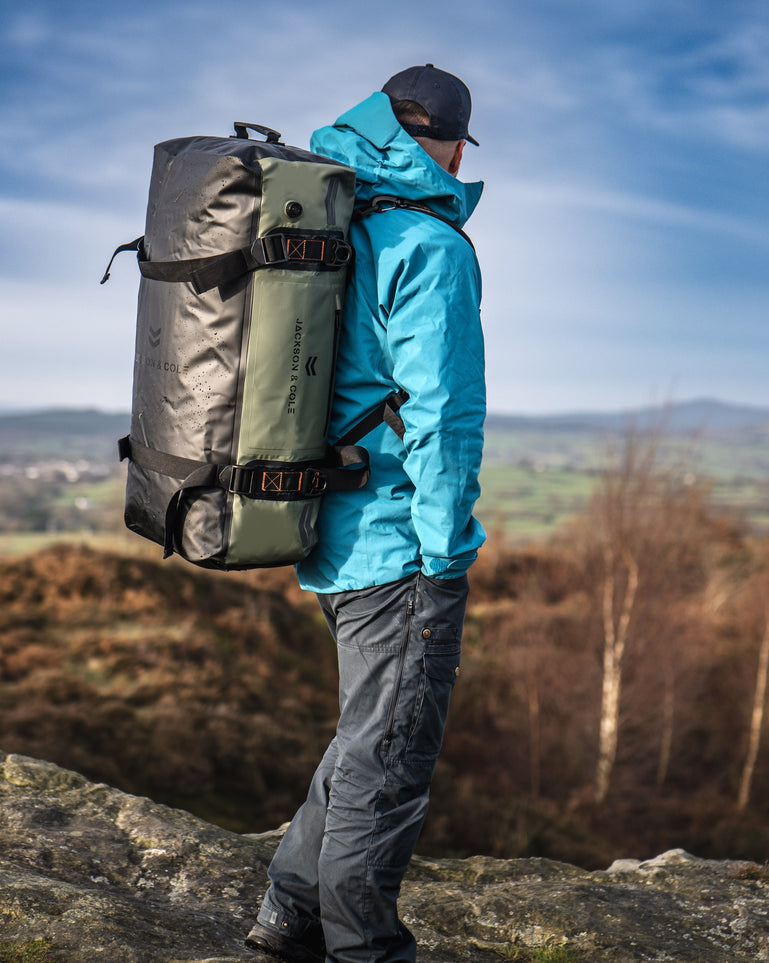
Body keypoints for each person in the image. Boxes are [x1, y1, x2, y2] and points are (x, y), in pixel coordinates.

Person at [245, 64, 487, 963]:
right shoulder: (431, 247)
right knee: (388, 761)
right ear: (450, 146)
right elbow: (441, 417)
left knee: (365, 733)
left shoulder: (339, 214)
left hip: (331, 532)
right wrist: (447, 553)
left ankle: (286, 915)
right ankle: (363, 948)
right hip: (397, 548)